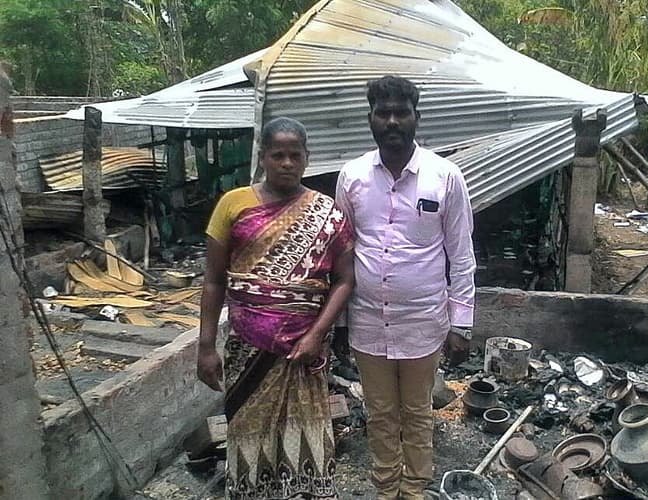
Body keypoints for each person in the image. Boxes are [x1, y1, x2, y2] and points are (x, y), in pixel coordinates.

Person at [197, 117, 355, 499]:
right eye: (277, 155)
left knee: (307, 435)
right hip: (246, 350)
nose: (286, 163)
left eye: (294, 155)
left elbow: (345, 280)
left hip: (304, 351)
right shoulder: (233, 205)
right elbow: (214, 279)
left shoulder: (328, 214)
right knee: (249, 432)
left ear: (306, 159)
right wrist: (204, 347)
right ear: (263, 157)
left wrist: (316, 335)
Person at [335, 76, 476, 499]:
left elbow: (462, 253)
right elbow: (341, 254)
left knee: (417, 412)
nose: (392, 121)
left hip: (424, 322)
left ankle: (414, 488)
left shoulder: (445, 177)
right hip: (367, 321)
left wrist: (462, 323)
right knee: (379, 413)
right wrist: (339, 323)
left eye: (401, 112)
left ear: (417, 116)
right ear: (371, 119)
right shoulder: (352, 176)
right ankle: (385, 487)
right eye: (383, 113)